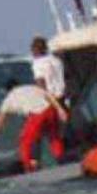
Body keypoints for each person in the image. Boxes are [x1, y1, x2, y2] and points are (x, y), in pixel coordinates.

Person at [17, 36, 68, 170]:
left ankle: (28, 167)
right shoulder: (57, 61)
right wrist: (59, 107)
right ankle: (62, 161)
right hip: (59, 100)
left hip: (45, 103)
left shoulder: (38, 63)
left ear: (35, 50)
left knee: (26, 138)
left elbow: (42, 87)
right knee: (53, 135)